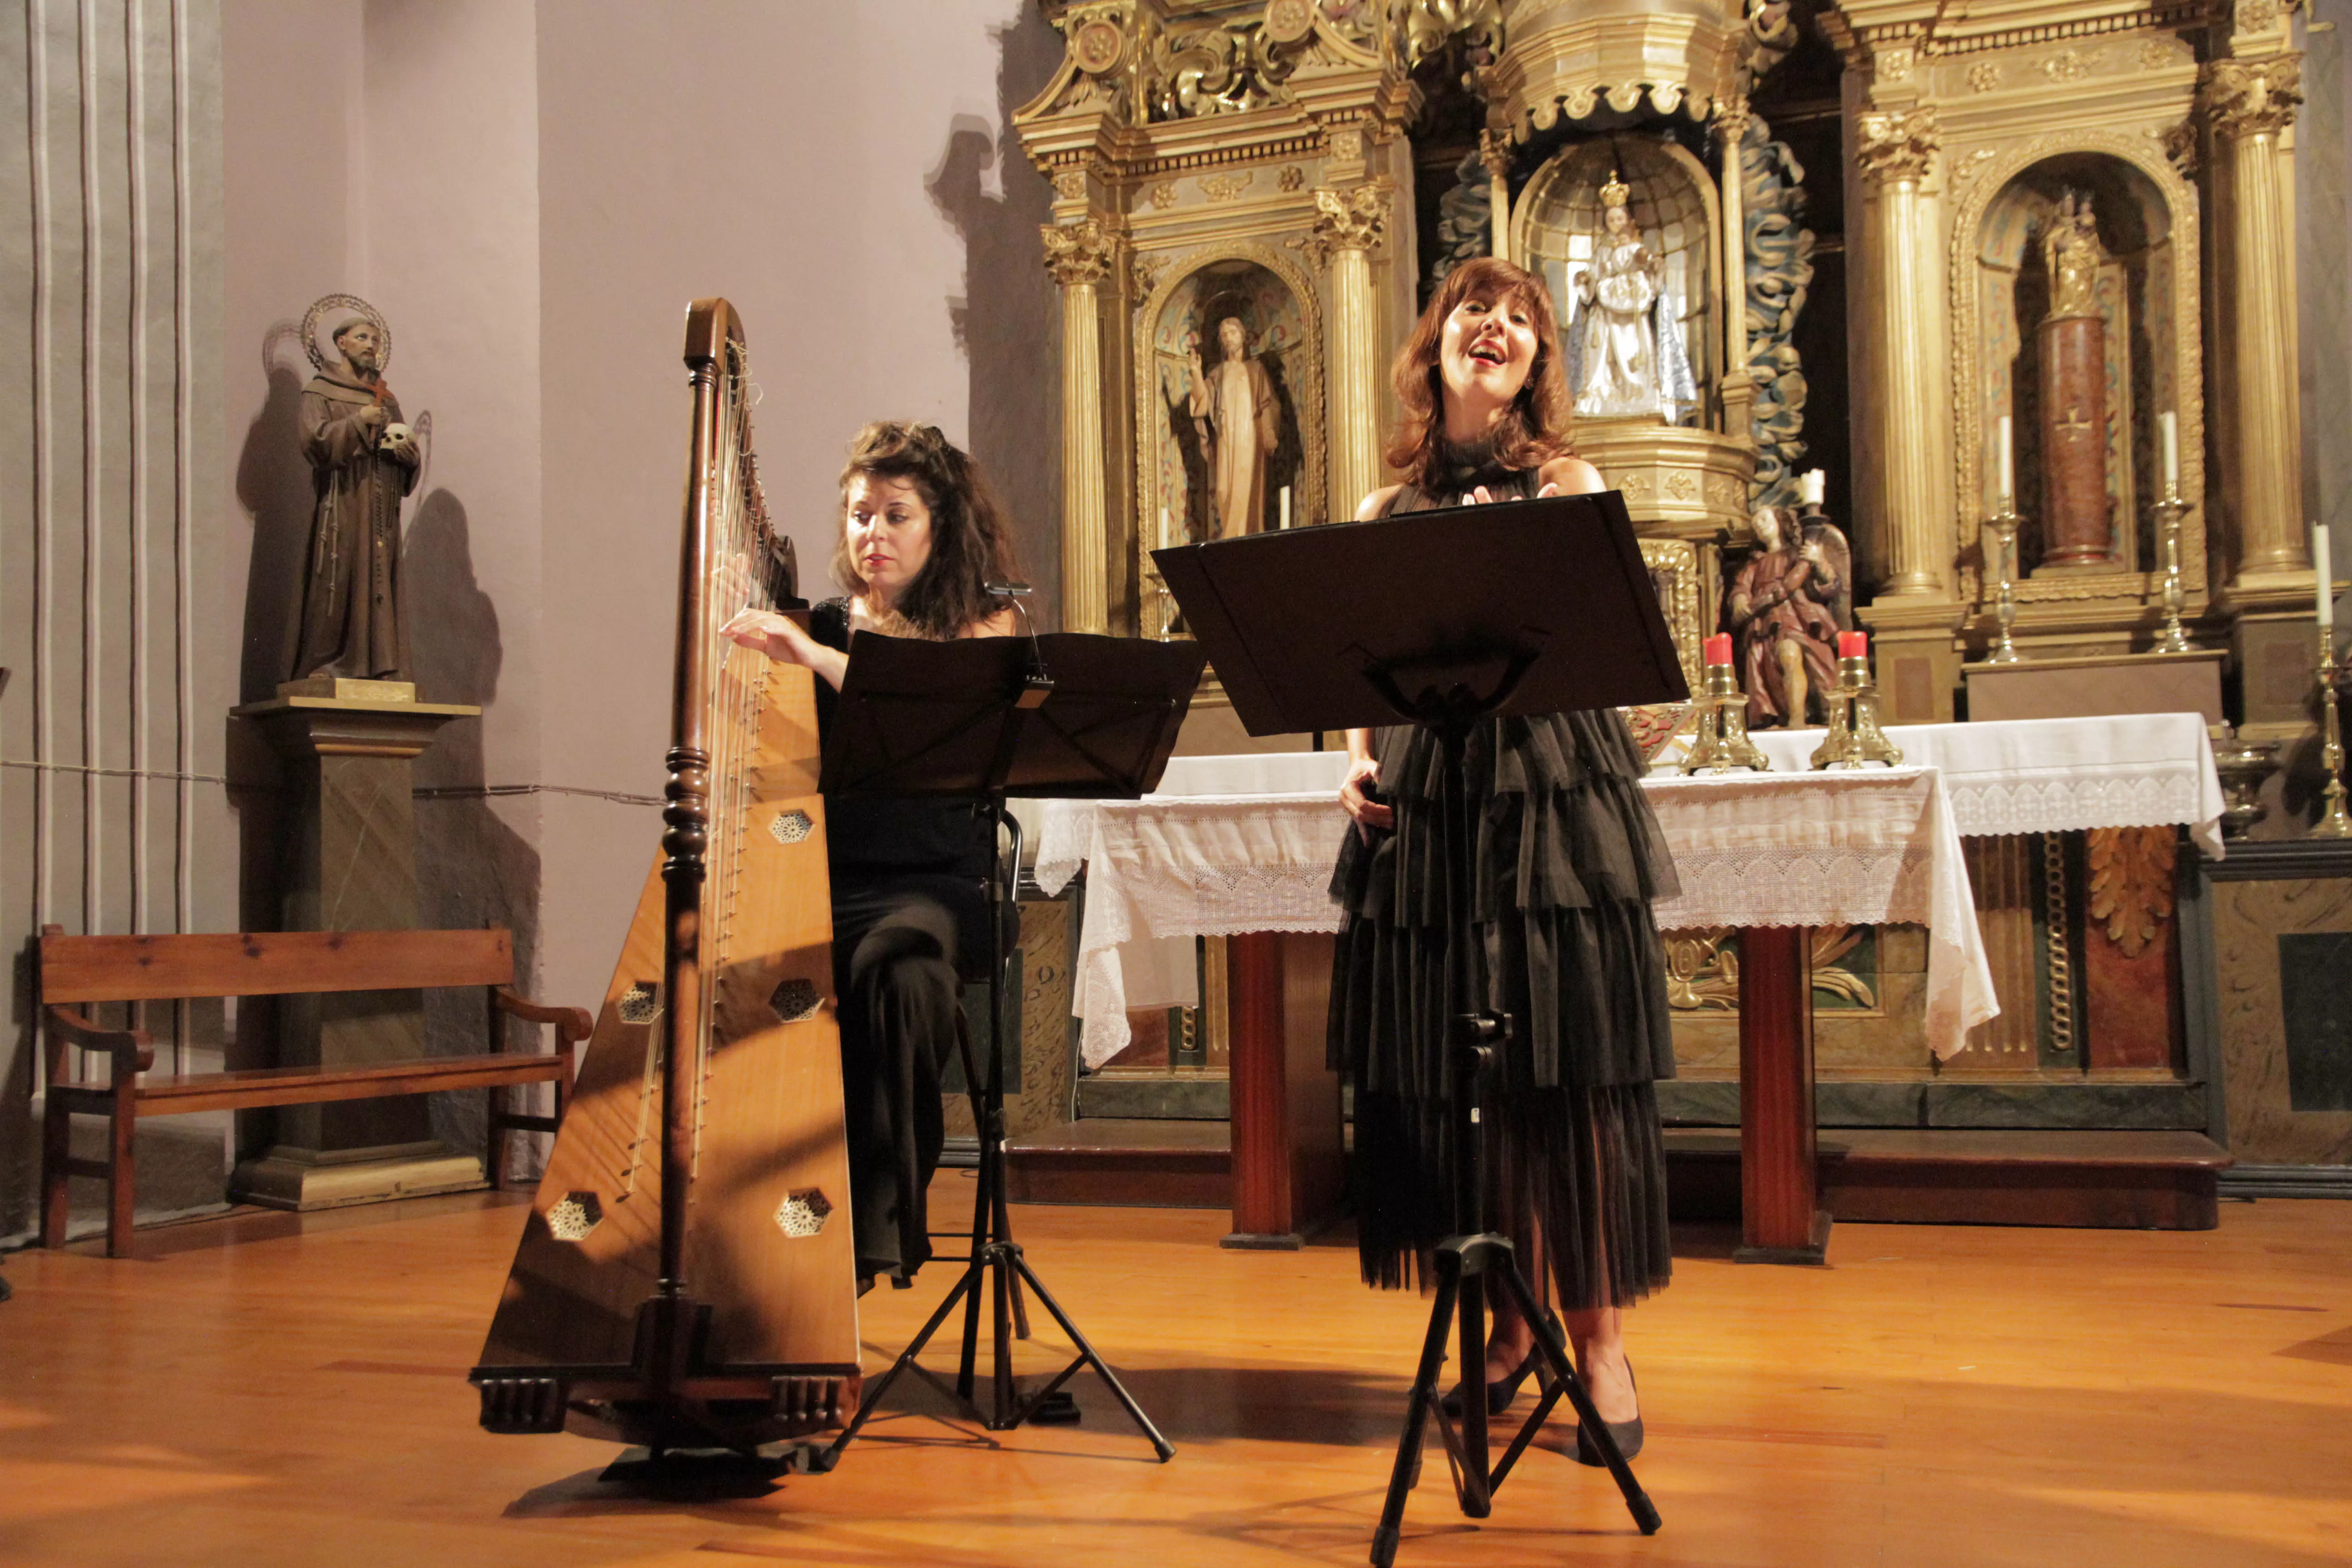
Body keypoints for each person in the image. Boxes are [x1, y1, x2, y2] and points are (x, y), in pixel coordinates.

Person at [1330, 256, 1676, 1461]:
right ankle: (1506, 1325)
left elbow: (1607, 650)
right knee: (1450, 1080)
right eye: (1476, 308)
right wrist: (1355, 761)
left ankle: (1598, 1341)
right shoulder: (1381, 512)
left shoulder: (1568, 482)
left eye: (1522, 317)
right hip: (1427, 801)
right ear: (1436, 345)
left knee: (1564, 1071)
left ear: (1536, 364)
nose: (1497, 325)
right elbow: (1358, 671)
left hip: (1549, 794)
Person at [721, 421, 1019, 1291]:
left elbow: (919, 711)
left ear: (939, 526)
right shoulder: (812, 627)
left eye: (896, 515)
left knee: (899, 970)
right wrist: (729, 617)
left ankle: (870, 1232)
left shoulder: (979, 625)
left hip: (935, 889)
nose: (873, 534)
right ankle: (745, 1228)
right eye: (860, 515)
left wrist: (814, 656)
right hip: (822, 887)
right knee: (723, 966)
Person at [294, 315, 419, 681]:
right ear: (342, 343)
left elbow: (400, 441)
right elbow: (314, 442)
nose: (370, 346)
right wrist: (358, 421)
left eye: (375, 340)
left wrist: (410, 459)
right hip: (343, 501)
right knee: (338, 576)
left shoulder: (386, 398)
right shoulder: (320, 391)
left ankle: (379, 667)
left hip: (380, 505)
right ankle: (326, 665)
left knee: (378, 578)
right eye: (362, 337)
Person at [1726, 503, 1845, 727]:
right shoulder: (1755, 563)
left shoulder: (1797, 555)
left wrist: (1819, 561)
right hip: (1763, 622)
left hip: (1794, 616)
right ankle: (1777, 715)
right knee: (1766, 667)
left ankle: (1797, 719)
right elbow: (1742, 585)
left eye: (1764, 520)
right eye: (1755, 525)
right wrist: (1740, 598)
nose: (1760, 527)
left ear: (1779, 521)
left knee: (1790, 654)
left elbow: (1829, 585)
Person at [1188, 315, 1282, 539]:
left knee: (1246, 484)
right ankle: (1230, 534)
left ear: (1243, 336)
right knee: (1225, 488)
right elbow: (1201, 405)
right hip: (1225, 436)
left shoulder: (1256, 370)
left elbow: (1268, 403)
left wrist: (1269, 431)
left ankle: (1246, 535)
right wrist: (1196, 373)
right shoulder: (1217, 374)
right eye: (1224, 335)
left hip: (1249, 435)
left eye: (1233, 333)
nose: (1229, 338)